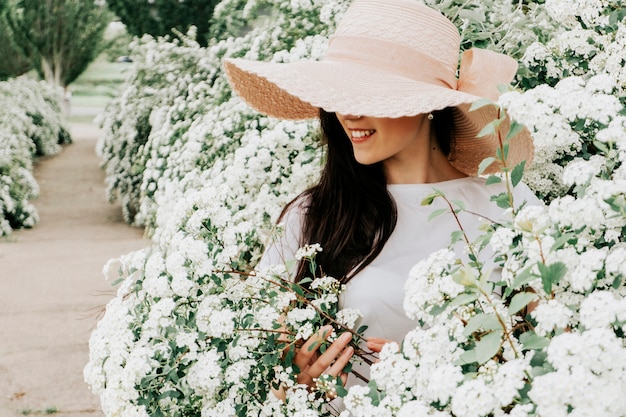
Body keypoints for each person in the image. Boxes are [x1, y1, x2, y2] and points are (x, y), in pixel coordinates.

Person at [223, 0, 539, 401]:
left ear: (427, 106)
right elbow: (264, 377)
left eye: (369, 95)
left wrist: (445, 374)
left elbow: (555, 358)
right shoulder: (312, 216)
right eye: (338, 94)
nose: (348, 112)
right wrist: (296, 386)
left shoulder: (510, 206)